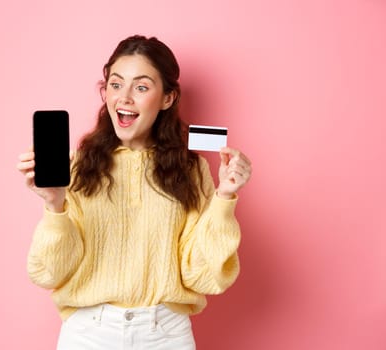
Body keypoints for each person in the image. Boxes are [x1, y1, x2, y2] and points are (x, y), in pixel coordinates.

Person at [17, 35, 252, 350]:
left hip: (166, 334)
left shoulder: (191, 170)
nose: (124, 98)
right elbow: (49, 273)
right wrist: (54, 205)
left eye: (141, 87)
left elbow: (203, 276)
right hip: (88, 334)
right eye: (115, 85)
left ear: (167, 98)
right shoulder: (75, 168)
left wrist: (224, 198)